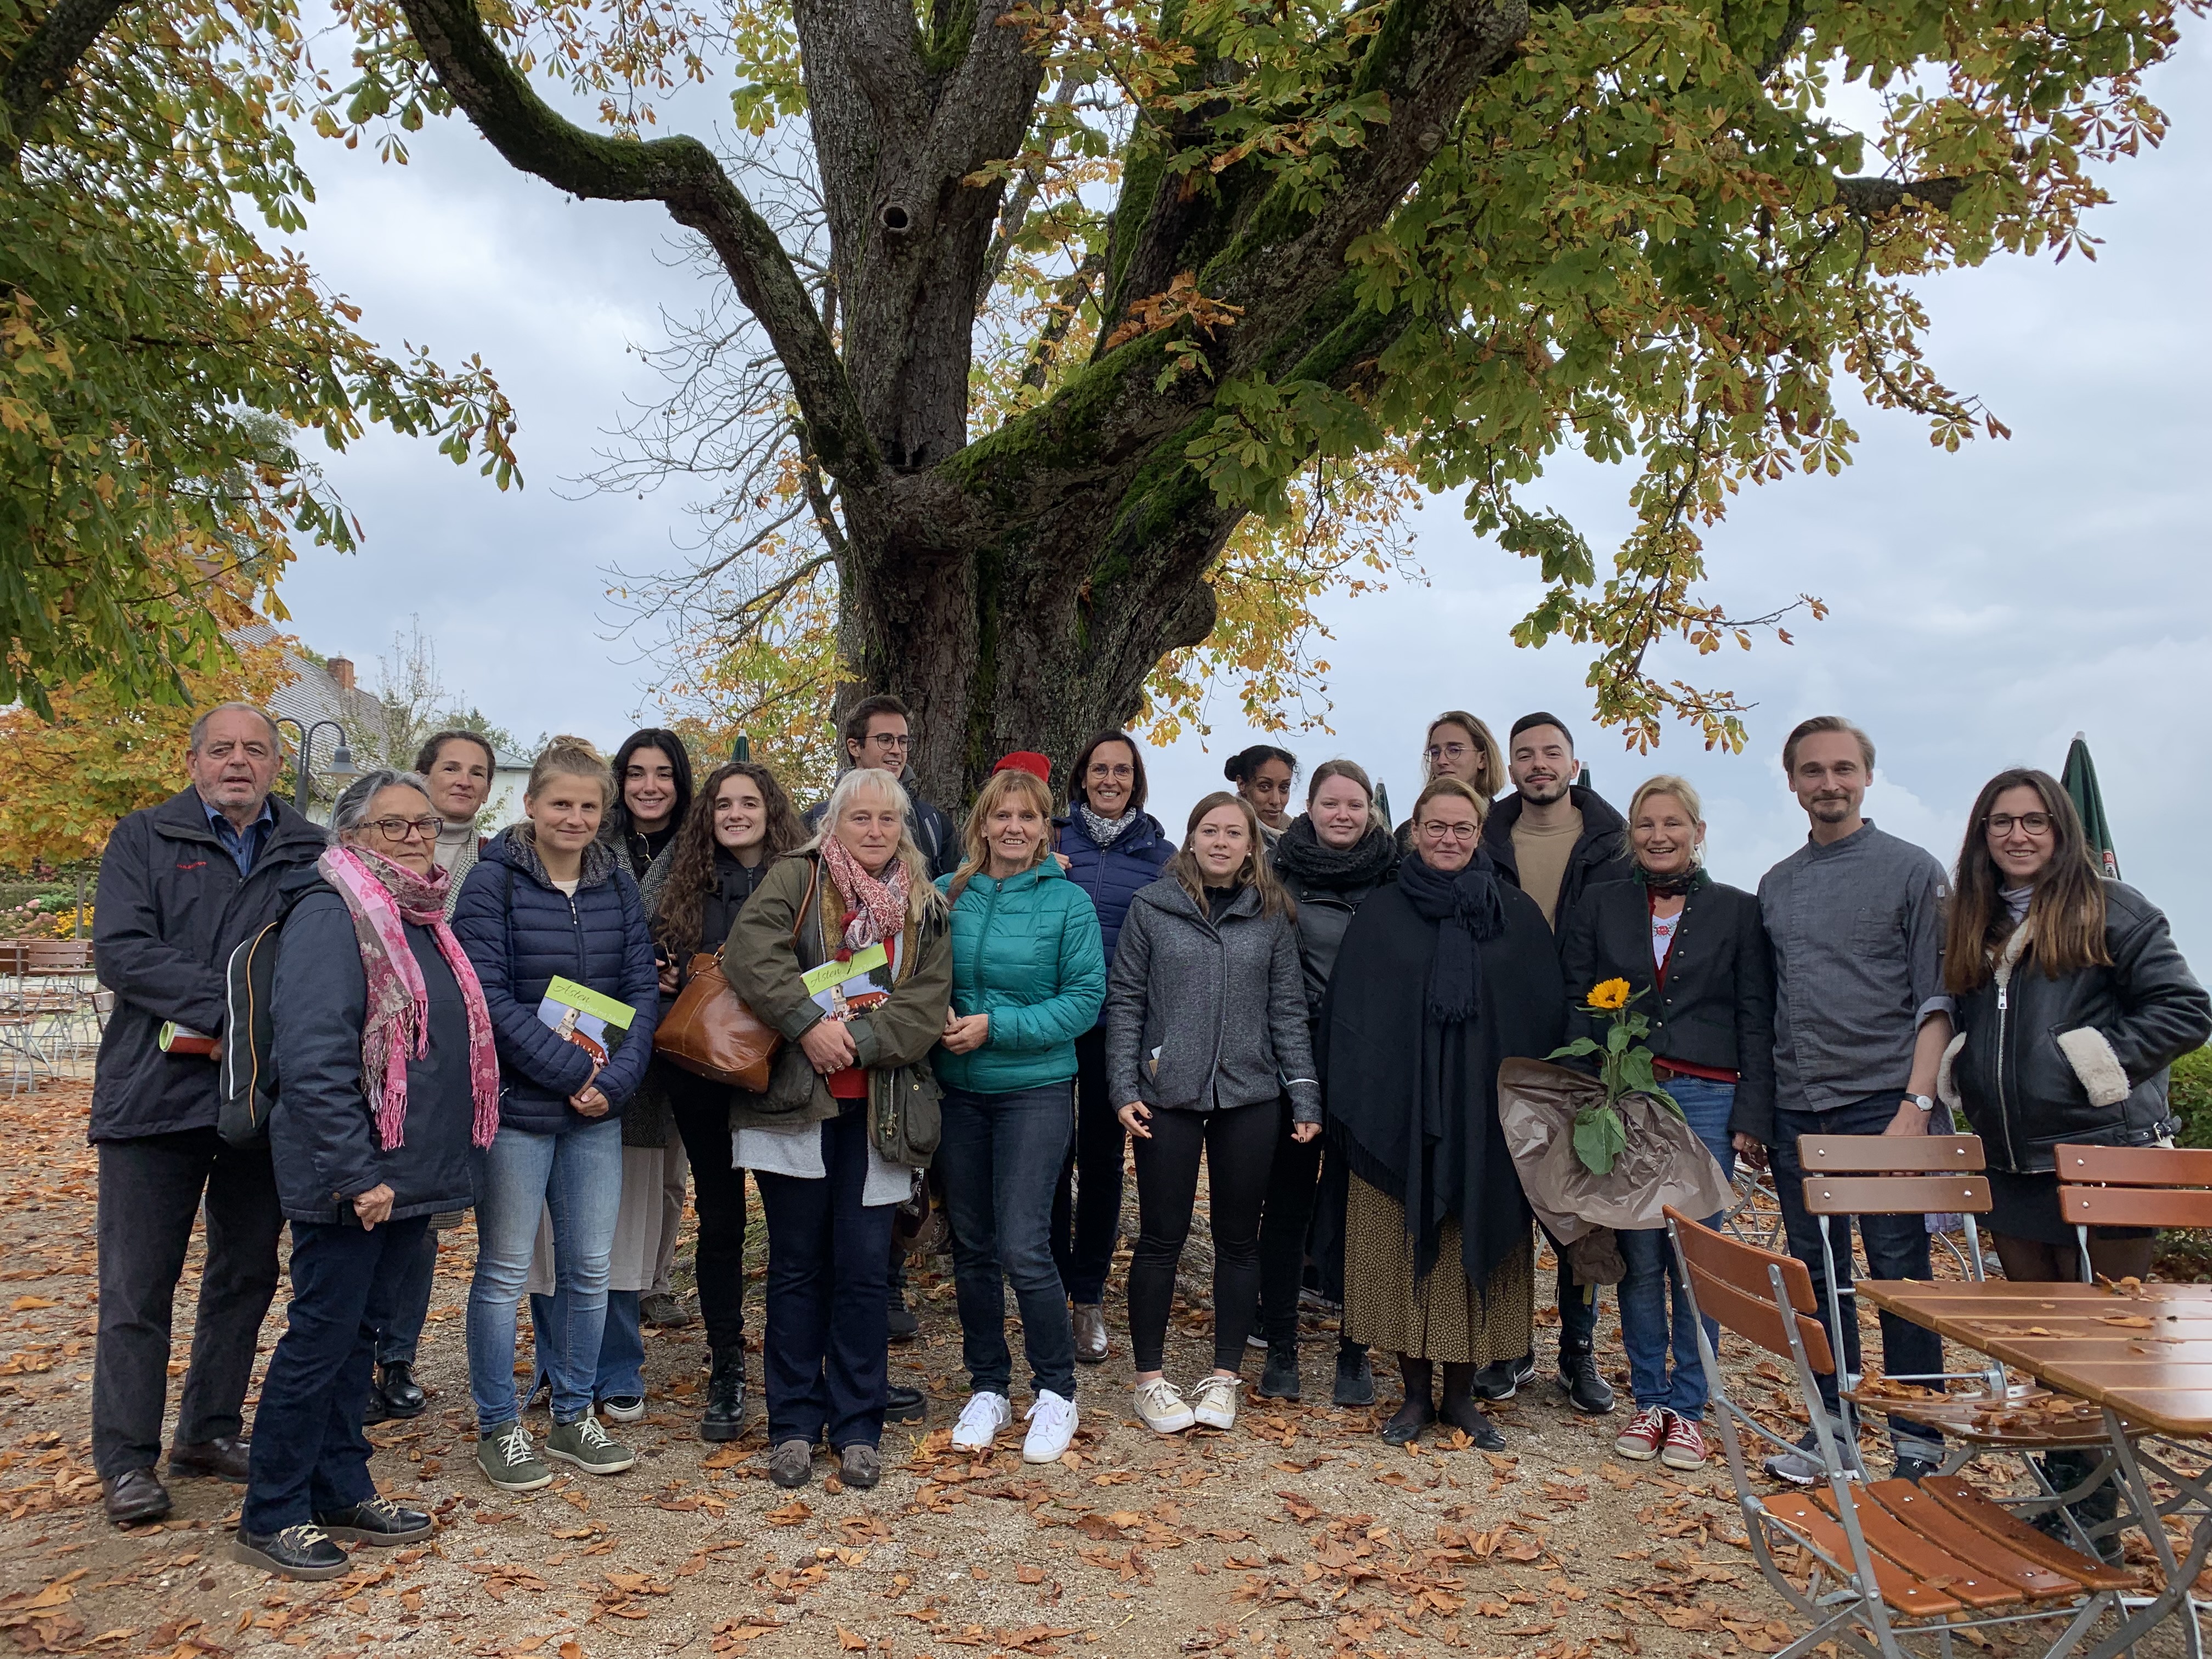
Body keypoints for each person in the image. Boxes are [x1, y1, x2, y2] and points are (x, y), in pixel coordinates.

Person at [1939, 766, 2209, 1555]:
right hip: (2013, 1161)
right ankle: (2072, 1501)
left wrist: (2090, 1062)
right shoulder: (1976, 919)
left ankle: (2106, 1508)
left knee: (2112, 1343)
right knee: (2050, 1344)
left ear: (2061, 830)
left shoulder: (2112, 908)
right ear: (1982, 834)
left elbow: (2187, 1009)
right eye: (2001, 822)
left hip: (2108, 1158)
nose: (2017, 836)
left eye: (2034, 822)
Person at [234, 770, 496, 1579]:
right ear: (352, 836)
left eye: (422, 824)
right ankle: (273, 1509)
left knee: (359, 1342)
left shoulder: (416, 915)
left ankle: (341, 1483)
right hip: (352, 1175)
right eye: (393, 827)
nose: (415, 837)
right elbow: (312, 1057)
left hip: (404, 1174)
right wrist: (356, 1174)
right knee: (321, 1339)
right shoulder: (331, 911)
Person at [90, 703, 327, 1526]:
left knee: (246, 1272)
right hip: (151, 1095)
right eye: (221, 750)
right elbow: (123, 951)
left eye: (255, 750)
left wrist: (260, 1033)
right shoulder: (143, 839)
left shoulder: (308, 850)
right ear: (193, 762)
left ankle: (209, 1430)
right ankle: (125, 1460)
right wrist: (235, 1010)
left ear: (273, 765)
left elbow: (317, 958)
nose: (239, 762)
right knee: (136, 1288)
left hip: (259, 1097)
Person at [727, 768, 953, 1492]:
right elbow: (748, 956)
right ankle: (793, 1423)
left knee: (862, 1270)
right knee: (797, 1266)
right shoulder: (796, 880)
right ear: (836, 823)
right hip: (799, 1105)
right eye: (861, 818)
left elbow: (925, 1005)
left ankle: (858, 1426)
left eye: (889, 819)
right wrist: (807, 1026)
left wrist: (854, 1042)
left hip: (879, 1110)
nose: (876, 831)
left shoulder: (924, 903)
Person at [1325, 777, 1566, 1450]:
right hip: (1398, 1113)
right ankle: (1411, 1396)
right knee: (1401, 1251)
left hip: (1487, 1124)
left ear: (1480, 833)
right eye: (1436, 827)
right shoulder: (1381, 914)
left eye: (1463, 829)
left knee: (1472, 1244)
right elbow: (1353, 1016)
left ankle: (1461, 1397)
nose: (1449, 839)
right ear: (1414, 830)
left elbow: (1541, 1019)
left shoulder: (1516, 917)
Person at [453, 738, 661, 1492]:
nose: (574, 817)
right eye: (561, 803)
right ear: (531, 806)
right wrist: (574, 1070)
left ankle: (575, 1414)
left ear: (603, 814)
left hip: (598, 1111)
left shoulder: (617, 886)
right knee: (505, 1270)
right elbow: (487, 995)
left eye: (588, 806)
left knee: (590, 1268)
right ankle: (499, 1426)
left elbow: (643, 987)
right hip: (517, 1109)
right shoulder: (491, 883)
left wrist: (617, 1080)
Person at [1556, 776, 1775, 1474]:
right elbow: (1576, 998)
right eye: (1646, 824)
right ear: (1632, 833)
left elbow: (1755, 1016)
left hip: (1709, 1098)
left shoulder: (1740, 912)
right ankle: (1649, 1396)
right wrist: (1584, 1091)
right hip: (1628, 1094)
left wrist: (1753, 1114)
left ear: (1697, 831)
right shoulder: (1601, 904)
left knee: (1696, 1253)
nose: (1658, 835)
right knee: (1641, 1252)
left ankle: (1690, 1406)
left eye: (1673, 823)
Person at [1755, 715, 1953, 1486]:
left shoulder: (1913, 871)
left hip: (1883, 1103)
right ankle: (1832, 1426)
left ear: (1867, 776)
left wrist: (1917, 1103)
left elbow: (1938, 999)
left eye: (1842, 768)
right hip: (1799, 1108)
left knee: (1898, 1273)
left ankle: (1919, 1438)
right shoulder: (1776, 885)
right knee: (1817, 1272)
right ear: (1795, 782)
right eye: (1812, 771)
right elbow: (1769, 1006)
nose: (1828, 783)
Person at [1107, 793, 1316, 1437]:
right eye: (1209, 831)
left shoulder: (1272, 914)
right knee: (1162, 1236)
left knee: (1237, 1239)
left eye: (1234, 833)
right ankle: (1150, 1380)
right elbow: (1126, 1001)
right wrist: (1122, 1087)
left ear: (1252, 845)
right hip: (1166, 1094)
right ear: (1191, 839)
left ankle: (1224, 1378)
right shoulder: (1153, 908)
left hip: (1250, 1095)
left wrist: (1303, 1094)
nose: (1221, 842)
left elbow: (1288, 1009)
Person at [635, 759, 811, 1439]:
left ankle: (798, 1361)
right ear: (707, 816)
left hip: (782, 1069)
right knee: (721, 1220)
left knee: (795, 1222)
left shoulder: (803, 879)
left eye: (748, 802)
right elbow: (653, 958)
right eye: (722, 804)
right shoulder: (685, 883)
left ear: (771, 809)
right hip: (701, 1070)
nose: (735, 813)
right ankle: (727, 1366)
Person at [935, 768, 1107, 1463]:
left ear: (1045, 829)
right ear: (981, 824)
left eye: (1028, 818)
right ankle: (989, 1386)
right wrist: (934, 1014)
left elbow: (1084, 999)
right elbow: (914, 972)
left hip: (1033, 1086)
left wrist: (994, 1026)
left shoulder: (1068, 904)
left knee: (1025, 1245)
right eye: (1001, 816)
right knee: (971, 1244)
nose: (1013, 828)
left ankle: (1056, 1391)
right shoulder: (949, 894)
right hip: (956, 1089)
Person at [1477, 712, 1630, 1414]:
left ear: (1574, 762)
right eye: (1525, 755)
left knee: (1579, 1205)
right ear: (1510, 766)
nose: (1539, 764)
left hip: (1584, 1042)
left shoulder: (1614, 842)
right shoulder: (1485, 835)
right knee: (1507, 1198)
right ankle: (1509, 1349)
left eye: (1551, 753)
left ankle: (1579, 1351)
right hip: (1500, 1037)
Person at [799, 694, 957, 1342]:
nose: (896, 751)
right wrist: (812, 1026)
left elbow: (932, 922)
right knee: (815, 1233)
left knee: (889, 1194)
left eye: (904, 742)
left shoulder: (932, 824)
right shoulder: (812, 833)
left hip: (890, 1052)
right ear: (854, 746)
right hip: (814, 1054)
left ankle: (885, 1293)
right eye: (884, 740)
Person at [364, 728, 501, 1429]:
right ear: (423, 775)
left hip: (451, 1057)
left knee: (421, 1222)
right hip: (383, 1053)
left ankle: (399, 1357)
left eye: (479, 771)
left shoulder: (489, 858)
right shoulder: (368, 859)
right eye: (452, 768)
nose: (467, 781)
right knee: (371, 1211)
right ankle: (357, 1360)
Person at [1258, 759, 1398, 1409]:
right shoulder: (1278, 873)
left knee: (1359, 1209)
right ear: (1309, 808)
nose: (1343, 814)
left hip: (1370, 1061)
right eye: (1331, 803)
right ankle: (1280, 1342)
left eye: (1355, 804)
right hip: (1294, 1055)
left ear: (1370, 809)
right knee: (1287, 1201)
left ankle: (1355, 1349)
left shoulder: (1396, 878)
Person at [1050, 730, 1175, 1364]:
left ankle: (1087, 1297)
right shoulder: (1050, 840)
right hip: (1048, 1023)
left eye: (1121, 771)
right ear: (1081, 776)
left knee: (1101, 1165)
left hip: (1115, 1026)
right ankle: (1047, 1286)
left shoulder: (1158, 852)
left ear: (1135, 780)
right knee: (1048, 1159)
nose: (1109, 779)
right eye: (1098, 768)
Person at [602, 729, 698, 1333]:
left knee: (666, 1165)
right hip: (604, 1018)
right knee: (609, 1159)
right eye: (637, 773)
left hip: (679, 1024)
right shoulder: (599, 841)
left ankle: (655, 1281)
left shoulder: (698, 846)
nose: (649, 786)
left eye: (663, 774)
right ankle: (607, 1277)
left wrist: (681, 971)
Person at [1396, 713, 1505, 844]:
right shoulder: (1406, 834)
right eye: (1435, 753)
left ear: (1482, 759)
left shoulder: (1506, 827)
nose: (1441, 761)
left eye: (1454, 750)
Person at [1224, 744, 1298, 846]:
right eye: (1264, 787)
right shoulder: (1227, 836)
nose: (1276, 801)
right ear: (1242, 784)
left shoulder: (1300, 837)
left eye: (1284, 788)